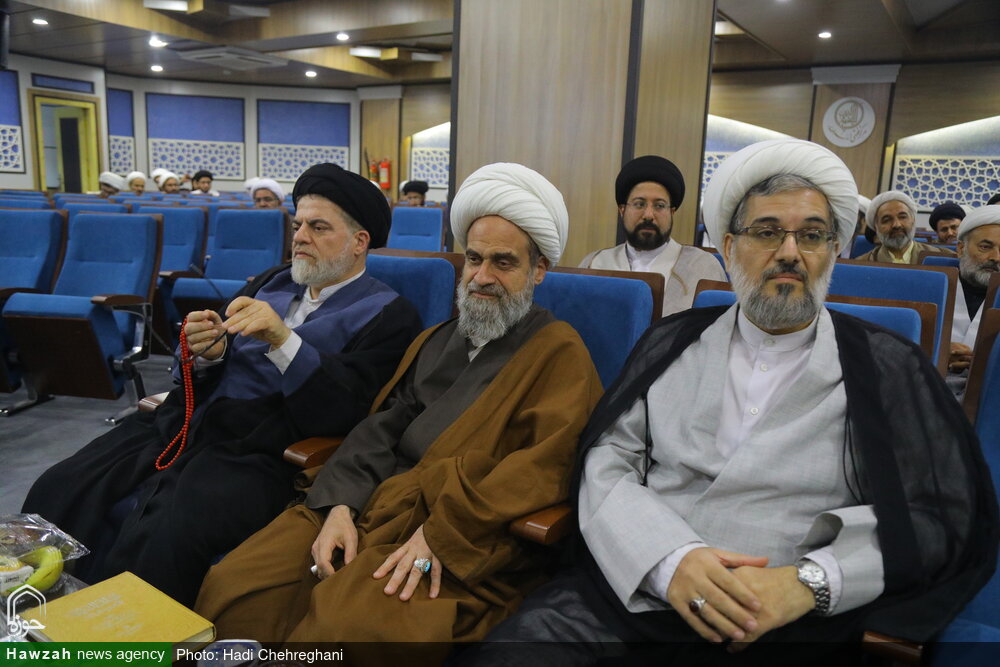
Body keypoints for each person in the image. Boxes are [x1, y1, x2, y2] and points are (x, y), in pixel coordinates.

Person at [463, 139, 997, 666]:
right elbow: (608, 460)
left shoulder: (886, 365)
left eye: (812, 235)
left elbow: (937, 513)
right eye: (766, 232)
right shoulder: (672, 342)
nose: (789, 252)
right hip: (641, 592)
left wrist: (809, 583)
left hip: (788, 620)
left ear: (834, 249)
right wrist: (670, 560)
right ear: (728, 245)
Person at [195, 163, 603, 665]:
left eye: (504, 263)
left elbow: (547, 467)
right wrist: (341, 505)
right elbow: (381, 426)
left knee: (346, 629)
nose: (482, 277)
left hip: (468, 536)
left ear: (538, 270)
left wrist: (441, 535)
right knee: (239, 585)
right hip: (375, 503)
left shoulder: (559, 352)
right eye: (475, 259)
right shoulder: (440, 339)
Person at [21, 163, 424, 607]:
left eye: (318, 227)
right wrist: (209, 351)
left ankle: (124, 632)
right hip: (190, 421)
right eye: (298, 225)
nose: (300, 237)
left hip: (267, 449)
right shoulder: (271, 281)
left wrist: (284, 341)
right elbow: (214, 355)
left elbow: (348, 409)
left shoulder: (388, 314)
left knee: (168, 528)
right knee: (60, 484)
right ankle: (38, 612)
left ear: (359, 241)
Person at [579, 155, 727, 316]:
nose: (648, 215)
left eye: (659, 206)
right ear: (622, 210)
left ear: (672, 212)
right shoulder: (594, 264)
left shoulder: (703, 266)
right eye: (639, 204)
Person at [948, 205, 1000, 376]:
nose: (996, 257)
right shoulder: (928, 289)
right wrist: (936, 352)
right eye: (985, 247)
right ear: (960, 248)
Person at [856, 191, 955, 264]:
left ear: (913, 220)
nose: (896, 225)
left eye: (902, 217)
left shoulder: (944, 258)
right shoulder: (862, 264)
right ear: (876, 227)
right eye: (887, 220)